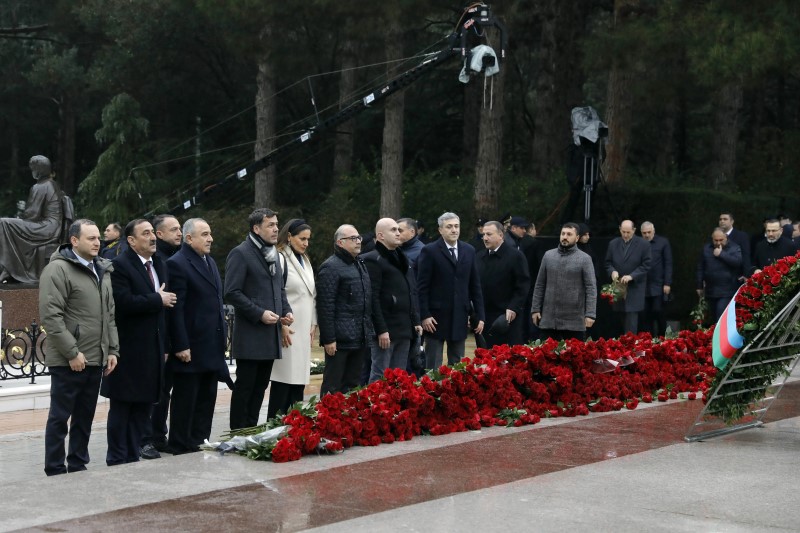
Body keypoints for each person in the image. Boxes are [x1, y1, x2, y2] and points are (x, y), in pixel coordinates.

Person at [39, 219, 119, 475]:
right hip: (68, 360)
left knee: (84, 417)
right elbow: (51, 316)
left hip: (95, 357)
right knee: (60, 417)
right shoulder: (58, 269)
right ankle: (54, 468)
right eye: (91, 238)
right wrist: (72, 353)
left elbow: (109, 315)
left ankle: (77, 464)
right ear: (74, 241)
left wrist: (112, 350)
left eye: (98, 238)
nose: (98, 243)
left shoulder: (102, 269)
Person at [101, 219, 175, 465]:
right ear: (131, 240)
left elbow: (163, 310)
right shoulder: (119, 266)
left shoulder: (159, 265)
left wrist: (165, 345)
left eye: (153, 232)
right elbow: (122, 302)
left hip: (153, 350)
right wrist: (156, 299)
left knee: (144, 407)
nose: (152, 237)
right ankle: (116, 458)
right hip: (128, 350)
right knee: (123, 407)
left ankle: (132, 456)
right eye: (146, 233)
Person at [166, 218, 231, 454]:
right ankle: (180, 445)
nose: (210, 239)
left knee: (206, 398)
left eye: (210, 233)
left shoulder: (209, 261)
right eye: (204, 234)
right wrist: (181, 345)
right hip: (191, 347)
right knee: (186, 399)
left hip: (211, 345)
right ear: (189, 238)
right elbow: (176, 309)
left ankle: (199, 441)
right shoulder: (177, 263)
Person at [225, 208, 293, 430]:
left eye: (276, 224)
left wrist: (286, 311)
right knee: (245, 387)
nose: (276, 229)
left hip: (270, 335)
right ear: (256, 228)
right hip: (250, 336)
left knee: (260, 387)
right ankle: (238, 434)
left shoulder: (274, 254)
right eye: (270, 225)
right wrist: (259, 313)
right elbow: (232, 292)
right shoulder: (241, 253)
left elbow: (279, 289)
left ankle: (251, 431)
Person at [417, 212, 484, 368]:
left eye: (456, 226)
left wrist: (480, 315)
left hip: (460, 315)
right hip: (435, 318)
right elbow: (422, 287)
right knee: (433, 364)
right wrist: (424, 315)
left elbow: (475, 285)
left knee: (458, 365)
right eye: (449, 227)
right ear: (440, 230)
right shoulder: (429, 251)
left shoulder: (469, 250)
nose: (454, 230)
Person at [316, 224, 375, 395]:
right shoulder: (330, 267)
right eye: (353, 238)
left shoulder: (359, 263)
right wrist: (329, 339)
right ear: (340, 242)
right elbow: (325, 306)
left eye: (358, 237)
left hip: (359, 336)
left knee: (352, 386)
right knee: (333, 386)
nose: (358, 241)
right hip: (339, 340)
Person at [267, 219, 316, 420]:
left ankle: (294, 424)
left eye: (308, 239)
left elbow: (311, 294)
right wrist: (281, 324)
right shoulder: (280, 258)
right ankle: (275, 423)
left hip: (303, 328)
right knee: (283, 380)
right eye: (302, 239)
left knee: (298, 383)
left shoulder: (305, 260)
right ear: (289, 236)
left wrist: (313, 323)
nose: (306, 243)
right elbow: (275, 294)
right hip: (288, 327)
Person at [362, 218, 422, 383]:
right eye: (393, 230)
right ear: (381, 235)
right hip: (386, 330)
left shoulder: (403, 258)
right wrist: (381, 330)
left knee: (399, 377)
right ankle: (375, 401)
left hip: (404, 327)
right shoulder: (372, 259)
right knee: (380, 375)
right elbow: (373, 298)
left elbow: (411, 291)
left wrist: (415, 320)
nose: (398, 233)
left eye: (399, 230)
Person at [142, 213, 182, 456]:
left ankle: (158, 435)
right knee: (152, 392)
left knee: (164, 392)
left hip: (168, 337)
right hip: (154, 337)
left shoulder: (171, 259)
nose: (179, 233)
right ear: (160, 234)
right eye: (174, 229)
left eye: (180, 228)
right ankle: (146, 437)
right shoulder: (158, 261)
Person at [0, 155, 64, 284]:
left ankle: (8, 267)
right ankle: (7, 267)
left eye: (33, 169)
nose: (32, 172)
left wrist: (20, 217)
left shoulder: (41, 186)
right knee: (6, 224)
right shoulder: (51, 184)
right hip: (52, 227)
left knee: (3, 223)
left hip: (46, 227)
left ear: (39, 169)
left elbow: (32, 215)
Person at [531, 222, 596, 341]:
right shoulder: (548, 255)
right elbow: (540, 284)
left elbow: (591, 288)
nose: (565, 237)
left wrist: (590, 314)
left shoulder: (585, 259)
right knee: (545, 352)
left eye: (569, 234)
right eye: (563, 233)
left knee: (574, 352)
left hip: (574, 320)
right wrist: (535, 309)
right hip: (549, 319)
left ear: (577, 238)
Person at [476, 221, 530, 347]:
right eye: (483, 235)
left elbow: (523, 285)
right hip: (484, 317)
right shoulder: (479, 257)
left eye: (489, 234)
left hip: (507, 317)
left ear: (501, 235)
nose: (485, 238)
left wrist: (513, 307)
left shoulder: (515, 256)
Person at [605, 220, 651, 335]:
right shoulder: (613, 243)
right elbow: (608, 263)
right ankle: (621, 344)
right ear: (620, 229)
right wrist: (612, 271)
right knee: (619, 319)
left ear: (634, 230)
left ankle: (630, 343)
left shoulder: (643, 244)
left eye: (628, 232)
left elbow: (646, 265)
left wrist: (632, 276)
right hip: (619, 287)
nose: (625, 235)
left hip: (634, 287)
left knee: (631, 320)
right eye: (623, 232)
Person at [696, 228, 742, 321]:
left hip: (727, 290)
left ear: (726, 237)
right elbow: (700, 268)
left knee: (720, 316)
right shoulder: (706, 249)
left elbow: (738, 262)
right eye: (715, 240)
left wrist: (721, 254)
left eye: (721, 240)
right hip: (711, 290)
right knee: (714, 317)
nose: (718, 243)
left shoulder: (734, 248)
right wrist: (699, 285)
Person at [640, 221, 673, 336]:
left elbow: (668, 263)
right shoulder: (638, 243)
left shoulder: (663, 242)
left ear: (653, 231)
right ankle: (648, 341)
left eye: (649, 232)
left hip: (659, 284)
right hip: (643, 285)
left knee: (659, 311)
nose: (647, 235)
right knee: (645, 314)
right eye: (644, 233)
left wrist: (667, 283)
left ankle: (662, 338)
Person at [718, 212, 751, 280]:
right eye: (720, 219)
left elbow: (745, 256)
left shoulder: (741, 236)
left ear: (732, 221)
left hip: (736, 277)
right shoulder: (716, 236)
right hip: (718, 277)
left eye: (725, 219)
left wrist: (746, 275)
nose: (722, 221)